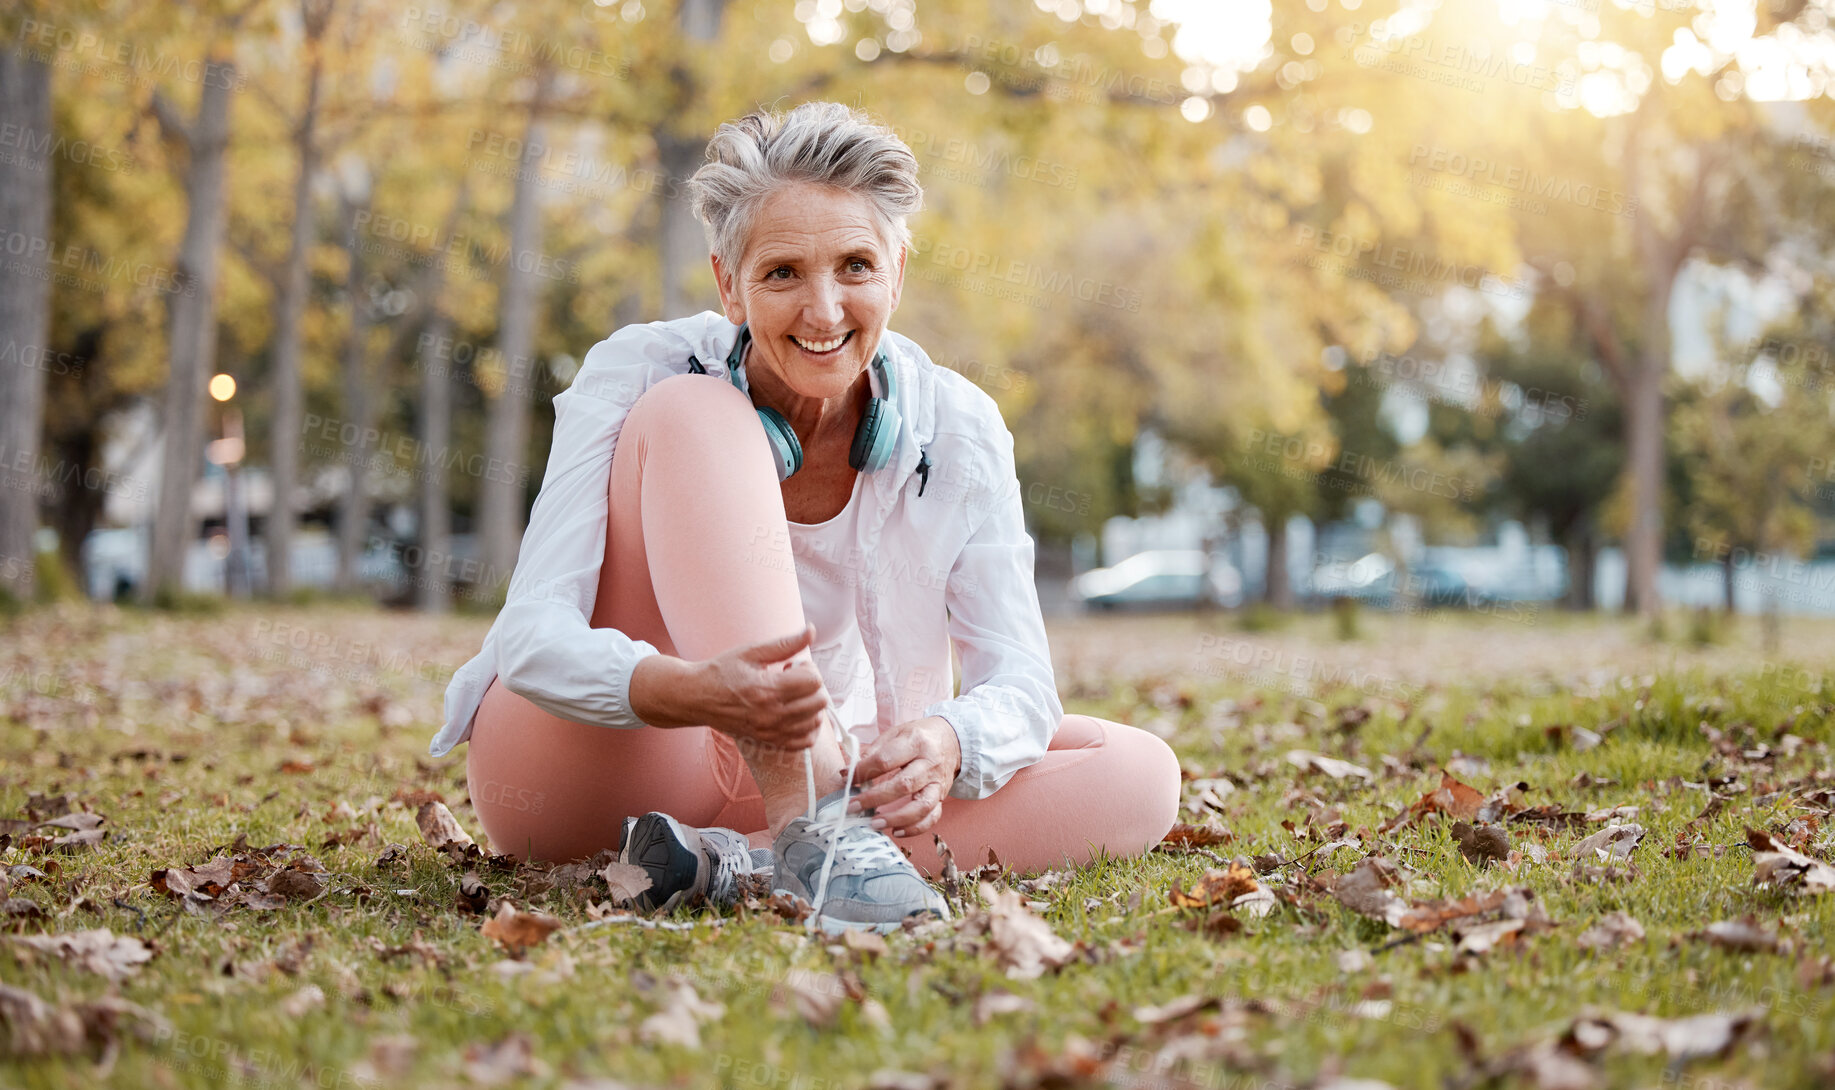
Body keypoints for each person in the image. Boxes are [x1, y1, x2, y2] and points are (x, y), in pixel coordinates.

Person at [428, 101, 1181, 933]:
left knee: (1138, 771)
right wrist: (686, 690)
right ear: (728, 285)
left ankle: (730, 863)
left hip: (796, 768)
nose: (823, 311)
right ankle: (804, 820)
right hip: (599, 758)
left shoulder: (960, 429)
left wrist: (950, 740)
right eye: (782, 273)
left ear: (896, 270)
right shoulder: (638, 371)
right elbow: (532, 636)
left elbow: (1022, 683)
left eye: (854, 266)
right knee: (695, 411)